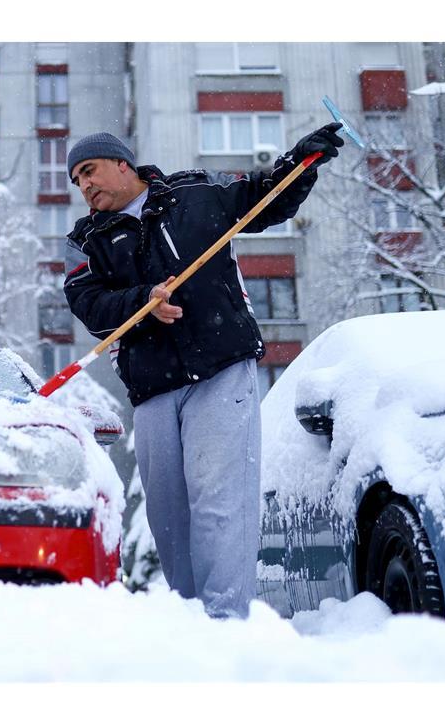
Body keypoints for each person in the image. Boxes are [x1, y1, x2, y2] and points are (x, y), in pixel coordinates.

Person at [62, 126, 343, 618]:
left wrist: (303, 161)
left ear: (122, 164)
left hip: (219, 368)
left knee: (220, 500)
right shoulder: (86, 241)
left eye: (89, 171)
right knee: (168, 516)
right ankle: (187, 622)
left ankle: (225, 621)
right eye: (76, 180)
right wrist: (142, 303)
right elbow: (88, 304)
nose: (83, 185)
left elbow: (264, 198)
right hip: (152, 388)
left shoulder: (194, 192)